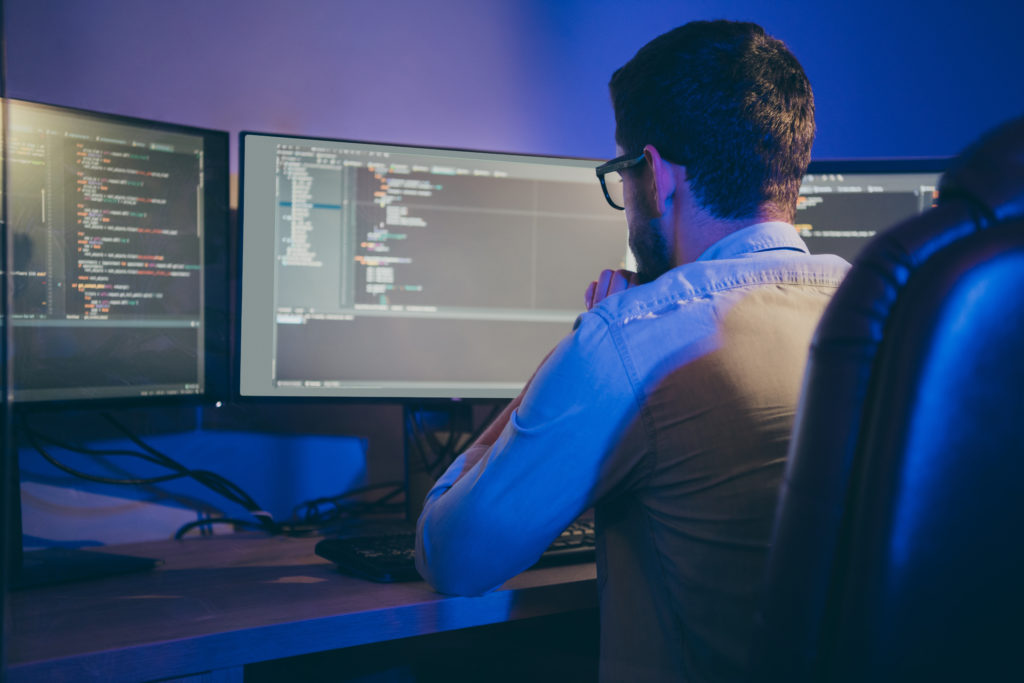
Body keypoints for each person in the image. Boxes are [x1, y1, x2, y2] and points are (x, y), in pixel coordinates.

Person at [415, 20, 850, 682]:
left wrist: (569, 354)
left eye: (622, 173)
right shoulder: (882, 312)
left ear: (654, 174)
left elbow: (452, 555)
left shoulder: (629, 338)